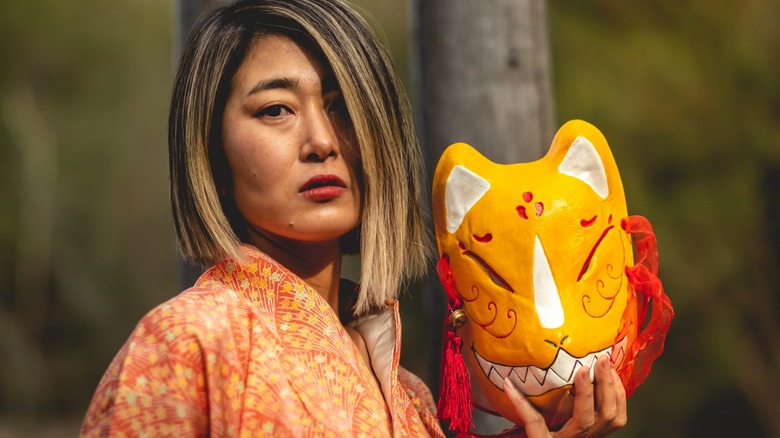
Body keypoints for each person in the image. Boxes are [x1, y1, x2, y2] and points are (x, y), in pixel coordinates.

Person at [81, 0, 627, 436]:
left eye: (343, 106)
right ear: (211, 151)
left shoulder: (409, 398)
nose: (321, 141)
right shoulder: (186, 345)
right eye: (276, 110)